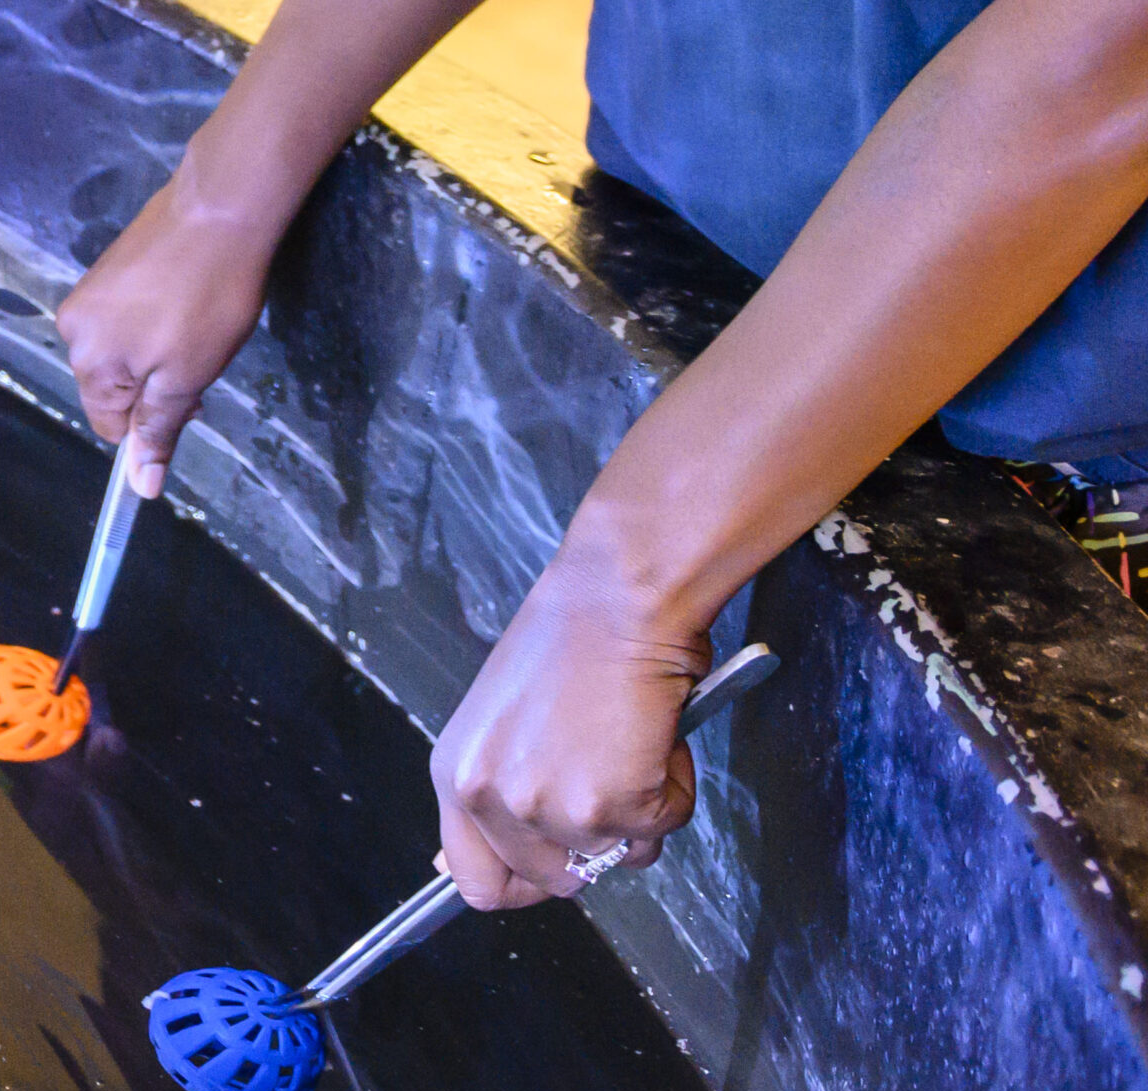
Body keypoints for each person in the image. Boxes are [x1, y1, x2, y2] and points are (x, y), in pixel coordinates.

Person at [55, 0, 1148, 910]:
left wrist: (626, 581)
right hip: (674, 229)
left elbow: (1102, 51)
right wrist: (223, 187)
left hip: (1073, 455)